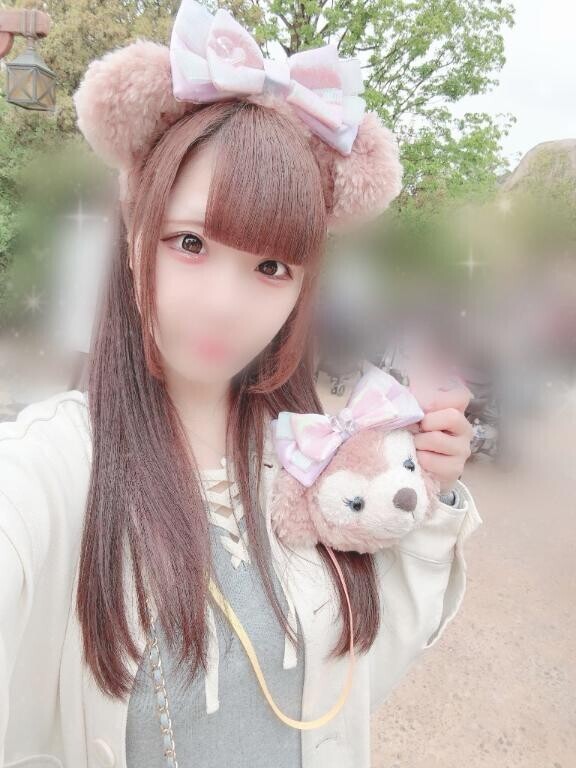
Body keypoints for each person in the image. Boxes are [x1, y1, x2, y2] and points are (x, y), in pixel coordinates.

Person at [0, 2, 483, 767]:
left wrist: (428, 496)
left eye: (270, 266)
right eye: (190, 242)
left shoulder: (306, 452)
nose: (225, 305)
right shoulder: (53, 470)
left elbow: (349, 683)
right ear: (134, 239)